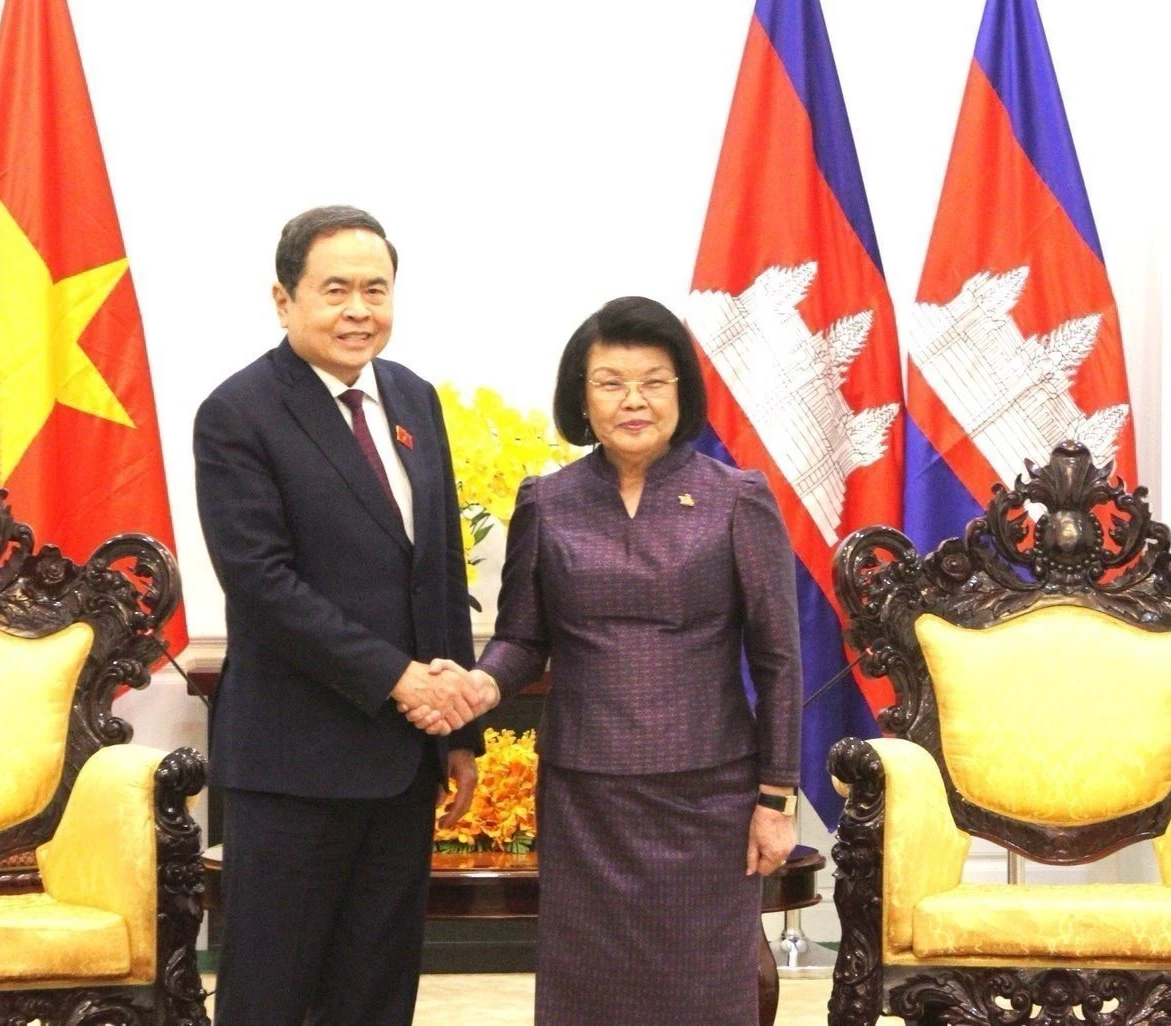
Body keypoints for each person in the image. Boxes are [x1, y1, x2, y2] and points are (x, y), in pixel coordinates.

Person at [411, 296, 802, 1024]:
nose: (633, 400)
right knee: (589, 995)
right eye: (611, 382)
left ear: (682, 392)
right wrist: (480, 684)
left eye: (654, 381)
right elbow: (523, 639)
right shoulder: (548, 501)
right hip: (585, 796)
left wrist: (776, 799)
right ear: (581, 397)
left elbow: (778, 659)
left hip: (707, 794)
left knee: (703, 995)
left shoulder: (737, 498)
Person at [194, 205, 499, 1026]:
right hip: (294, 765)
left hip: (401, 763)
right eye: (335, 290)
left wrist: (457, 733)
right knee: (273, 996)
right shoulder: (239, 412)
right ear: (284, 299)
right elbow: (262, 584)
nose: (358, 310)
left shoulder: (413, 398)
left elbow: (437, 571)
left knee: (376, 993)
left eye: (376, 289)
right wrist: (399, 679)